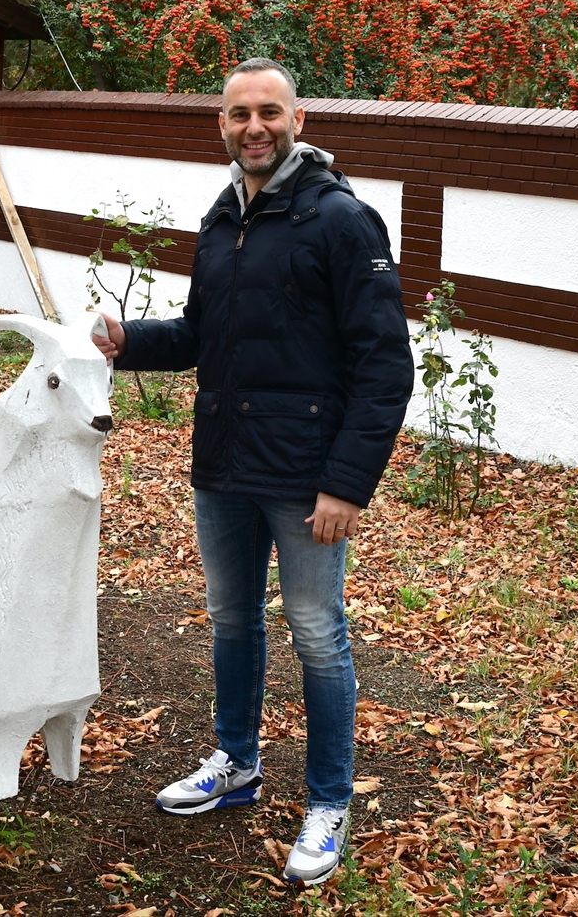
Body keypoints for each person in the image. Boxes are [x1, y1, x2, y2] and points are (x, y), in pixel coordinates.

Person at [92, 58, 414, 886]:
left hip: (307, 479)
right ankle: (236, 763)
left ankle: (329, 800)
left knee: (317, 636)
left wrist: (347, 483)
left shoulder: (343, 221)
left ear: (298, 120)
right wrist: (132, 342)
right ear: (223, 126)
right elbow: (203, 335)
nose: (254, 127)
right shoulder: (222, 217)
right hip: (225, 466)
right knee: (233, 622)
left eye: (269, 112)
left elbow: (385, 366)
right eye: (239, 115)